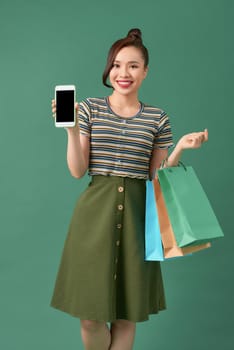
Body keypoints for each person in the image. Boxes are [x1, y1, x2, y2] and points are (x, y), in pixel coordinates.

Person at [50, 28, 208, 350]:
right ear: (109, 70)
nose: (124, 73)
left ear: (145, 71)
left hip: (138, 217)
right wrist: (71, 130)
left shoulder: (157, 119)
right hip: (93, 219)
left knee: (125, 315)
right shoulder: (90, 109)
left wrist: (178, 148)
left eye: (133, 66)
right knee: (91, 317)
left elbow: (156, 179)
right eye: (117, 65)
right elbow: (78, 171)